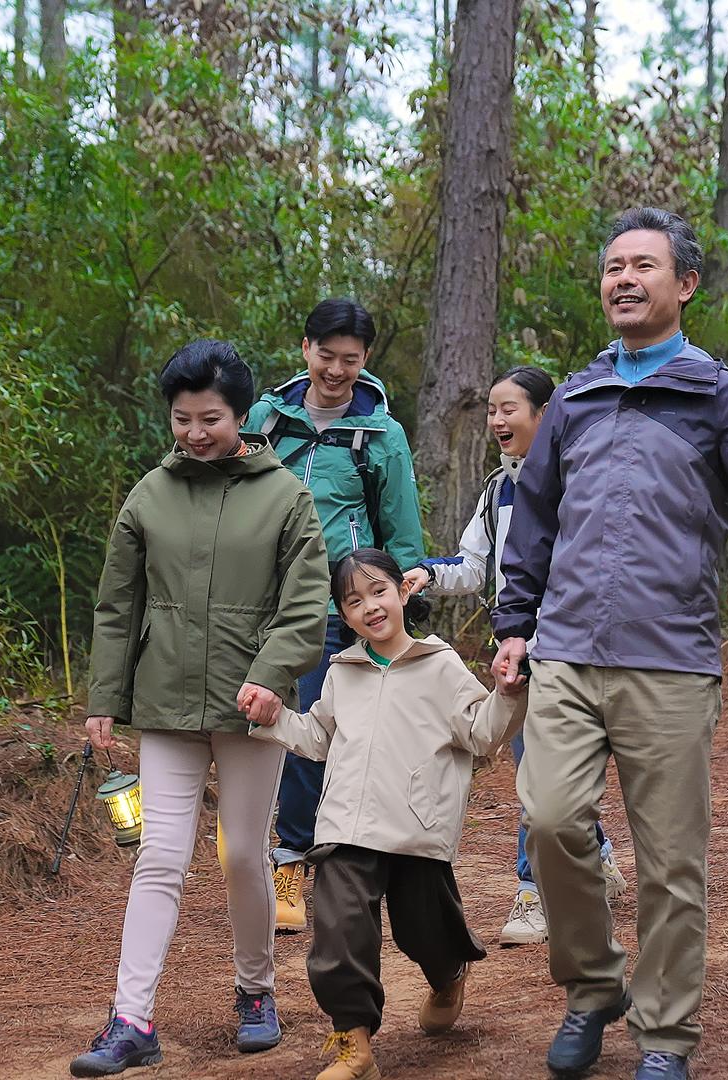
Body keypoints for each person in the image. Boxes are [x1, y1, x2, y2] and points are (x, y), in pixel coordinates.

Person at [492, 208, 728, 1080]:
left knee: (672, 862)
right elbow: (536, 520)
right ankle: (595, 986)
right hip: (566, 651)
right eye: (611, 266)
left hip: (669, 658)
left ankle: (666, 1036)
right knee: (554, 820)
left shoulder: (717, 395)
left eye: (643, 265)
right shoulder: (578, 396)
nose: (623, 278)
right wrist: (514, 625)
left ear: (686, 285)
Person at [70, 340, 331, 1077]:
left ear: (242, 416)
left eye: (208, 418)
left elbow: (306, 604)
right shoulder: (149, 494)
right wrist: (105, 696)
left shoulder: (285, 495)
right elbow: (118, 604)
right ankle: (131, 1019)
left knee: (244, 855)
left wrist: (272, 677)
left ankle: (255, 992)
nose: (192, 433)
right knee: (157, 857)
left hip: (253, 709)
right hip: (167, 702)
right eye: (181, 419)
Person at [250, 547, 526, 1080]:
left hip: (415, 828)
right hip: (346, 825)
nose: (370, 607)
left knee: (425, 930)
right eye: (353, 601)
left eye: (379, 591)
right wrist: (275, 718)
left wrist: (508, 692)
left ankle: (447, 975)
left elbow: (483, 732)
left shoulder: (439, 665)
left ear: (403, 592)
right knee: (338, 929)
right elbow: (318, 737)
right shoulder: (342, 671)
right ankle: (354, 1045)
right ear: (344, 614)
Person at [402, 365, 627, 948]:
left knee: (544, 771)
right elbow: (475, 566)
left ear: (545, 415)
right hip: (517, 649)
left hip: (574, 649)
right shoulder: (495, 491)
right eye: (493, 411)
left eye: (511, 409)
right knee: (543, 771)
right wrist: (427, 574)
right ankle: (594, 854)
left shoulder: (578, 482)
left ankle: (533, 894)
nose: (498, 420)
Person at [245, 298, 427, 933]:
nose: (336, 371)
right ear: (305, 349)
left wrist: (406, 589)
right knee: (269, 732)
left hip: (338, 607)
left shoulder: (380, 433)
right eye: (326, 356)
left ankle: (317, 862)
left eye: (350, 360)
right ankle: (280, 857)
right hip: (264, 604)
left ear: (365, 360)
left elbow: (399, 520)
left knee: (326, 737)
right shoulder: (267, 419)